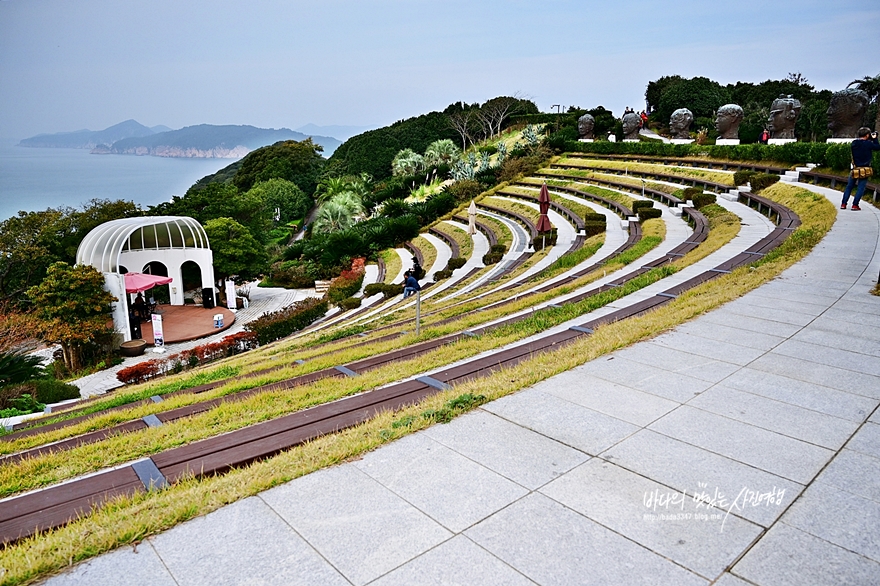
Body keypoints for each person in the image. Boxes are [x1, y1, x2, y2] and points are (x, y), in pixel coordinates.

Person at [841, 127, 880, 211]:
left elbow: (861, 143)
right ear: (867, 135)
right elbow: (877, 147)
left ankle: (843, 204)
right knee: (860, 188)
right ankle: (855, 205)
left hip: (855, 169)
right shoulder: (868, 144)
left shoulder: (854, 143)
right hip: (864, 169)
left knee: (849, 187)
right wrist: (875, 138)